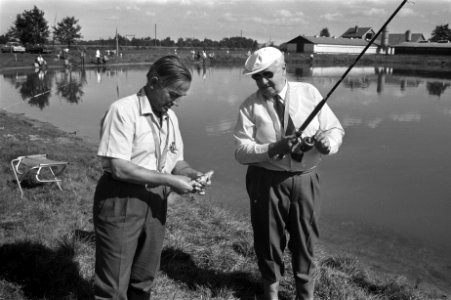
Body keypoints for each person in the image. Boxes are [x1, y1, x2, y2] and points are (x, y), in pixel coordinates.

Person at [93, 55, 210, 300]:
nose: (176, 102)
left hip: (156, 200)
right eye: (173, 94)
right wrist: (169, 181)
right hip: (121, 198)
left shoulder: (170, 117)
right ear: (154, 82)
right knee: (113, 286)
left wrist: (193, 175)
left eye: (180, 97)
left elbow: (177, 161)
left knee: (144, 277)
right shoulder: (123, 111)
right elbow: (119, 167)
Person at [233, 47, 344, 300]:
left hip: (307, 179)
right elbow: (241, 151)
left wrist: (327, 143)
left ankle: (306, 295)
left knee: (306, 243)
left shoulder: (309, 93)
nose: (262, 82)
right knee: (268, 241)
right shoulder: (249, 106)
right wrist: (273, 148)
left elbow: (335, 129)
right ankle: (270, 294)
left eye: (267, 75)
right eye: (256, 77)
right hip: (266, 180)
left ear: (284, 69)